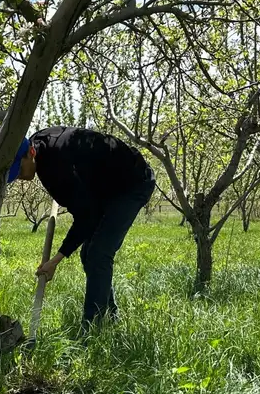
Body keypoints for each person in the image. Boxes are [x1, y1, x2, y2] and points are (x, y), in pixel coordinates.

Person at [8, 126, 155, 330]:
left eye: (19, 169)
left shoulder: (55, 167)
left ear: (31, 153)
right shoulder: (37, 143)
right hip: (105, 187)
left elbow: (87, 217)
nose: (19, 177)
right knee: (89, 254)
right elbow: (86, 210)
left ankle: (91, 329)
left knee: (98, 254)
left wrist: (55, 261)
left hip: (132, 183)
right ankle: (110, 317)